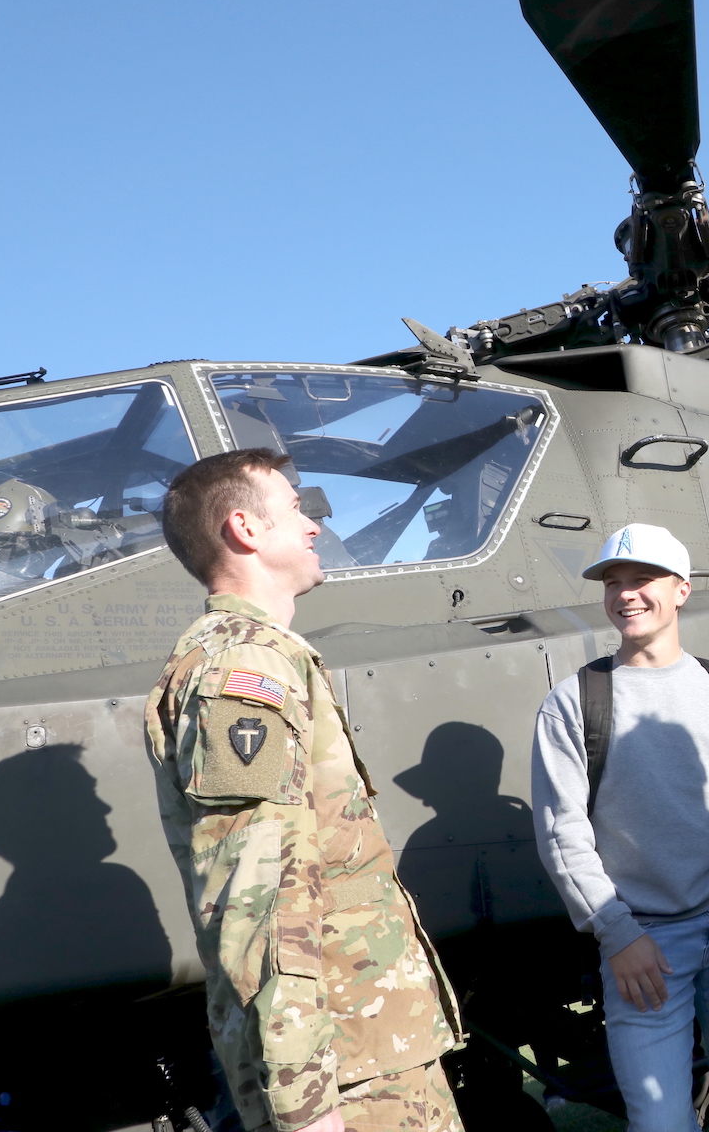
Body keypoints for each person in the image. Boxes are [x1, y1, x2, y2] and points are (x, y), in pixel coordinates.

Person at [144, 448, 464, 1132]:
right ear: (244, 530)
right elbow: (260, 898)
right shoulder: (245, 665)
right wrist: (305, 1103)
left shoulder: (258, 653)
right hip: (345, 1068)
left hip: (362, 1049)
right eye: (295, 508)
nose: (316, 524)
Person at [532, 523, 709, 1132]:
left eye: (642, 579)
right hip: (642, 948)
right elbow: (561, 833)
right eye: (613, 582)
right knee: (660, 1123)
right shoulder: (573, 703)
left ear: (681, 590)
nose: (626, 594)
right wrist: (616, 933)